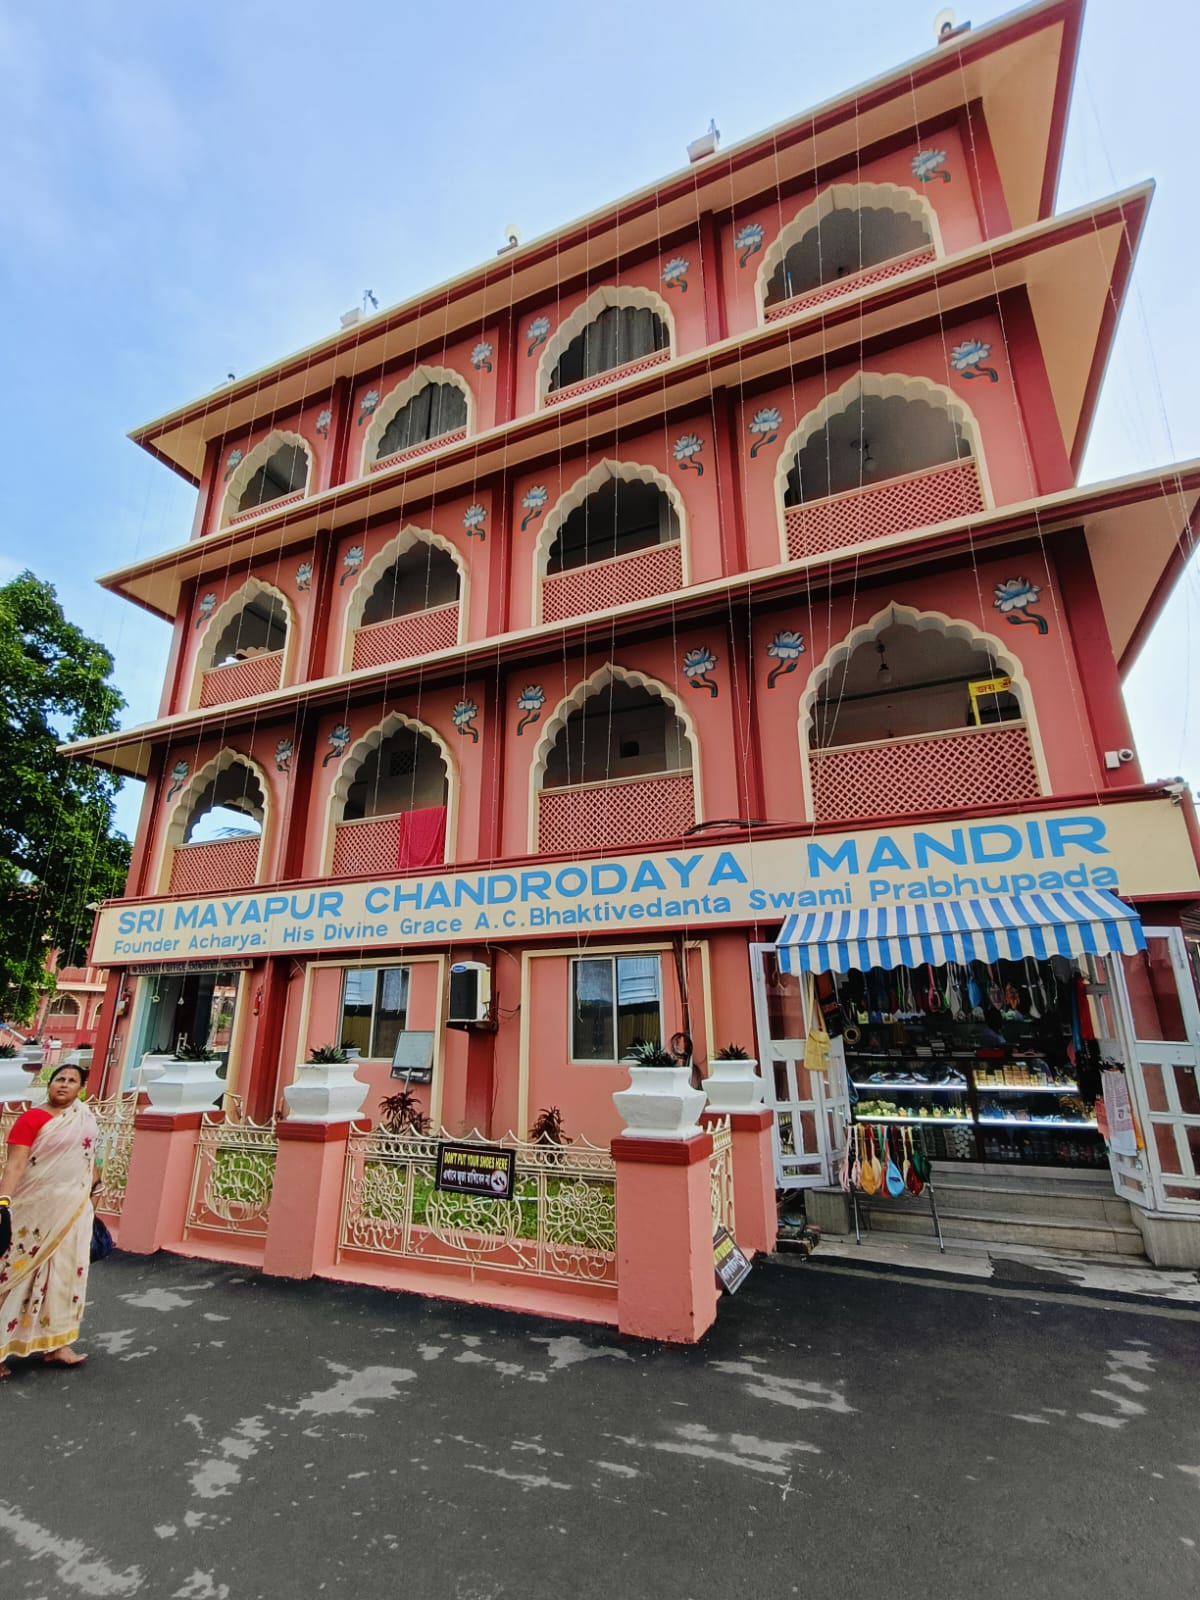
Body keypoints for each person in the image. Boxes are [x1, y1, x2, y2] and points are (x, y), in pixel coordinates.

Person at [0, 1062, 100, 1379]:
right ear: (50, 1084)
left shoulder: (84, 1119)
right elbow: (14, 1165)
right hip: (32, 1211)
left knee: (65, 1278)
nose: (64, 1084)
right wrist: (3, 1203)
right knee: (12, 1274)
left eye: (72, 1080)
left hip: (73, 1211)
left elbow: (89, 1160)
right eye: (59, 1079)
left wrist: (95, 1191)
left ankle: (57, 1344)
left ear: (80, 1088)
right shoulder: (31, 1119)